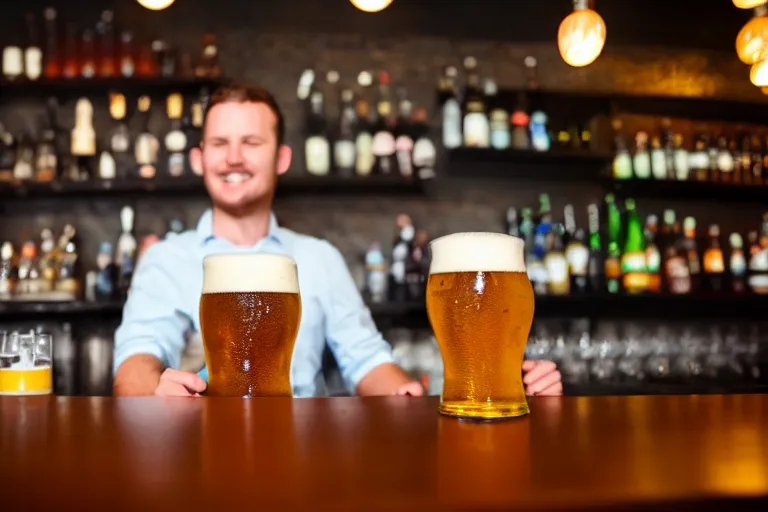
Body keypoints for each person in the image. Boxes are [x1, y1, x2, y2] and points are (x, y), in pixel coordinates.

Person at [112, 83, 564, 398]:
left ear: (282, 157)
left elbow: (366, 360)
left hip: (303, 453)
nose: (233, 157)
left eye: (251, 142)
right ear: (198, 158)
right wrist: (155, 392)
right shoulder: (165, 259)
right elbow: (135, 364)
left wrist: (407, 393)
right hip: (202, 448)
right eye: (218, 143)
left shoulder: (317, 257)